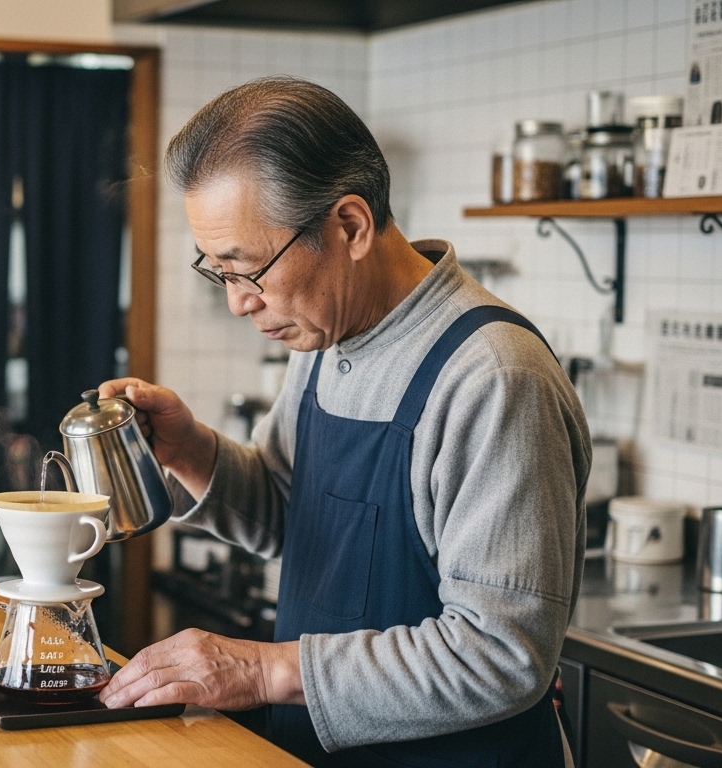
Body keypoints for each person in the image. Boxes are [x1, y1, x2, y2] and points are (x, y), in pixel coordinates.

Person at [96, 77, 589, 767]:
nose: (240, 303)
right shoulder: (330, 335)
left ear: (350, 226)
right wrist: (193, 451)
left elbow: (502, 655)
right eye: (219, 272)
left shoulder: (494, 378)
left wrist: (264, 670)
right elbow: (293, 517)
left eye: (249, 270)